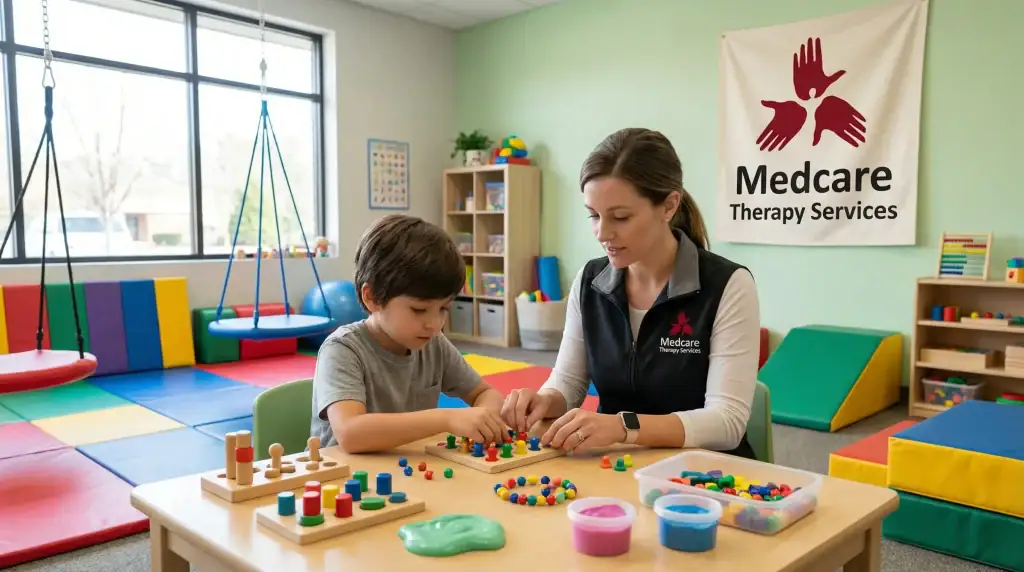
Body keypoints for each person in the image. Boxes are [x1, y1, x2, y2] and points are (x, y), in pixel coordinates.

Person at [501, 128, 760, 459]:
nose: (602, 233)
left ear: (668, 206)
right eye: (593, 215)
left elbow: (727, 422)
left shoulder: (728, 285)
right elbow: (569, 382)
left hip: (705, 477)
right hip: (617, 466)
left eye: (620, 217)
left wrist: (624, 427)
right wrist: (544, 400)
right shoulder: (590, 281)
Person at [311, 214, 507, 453]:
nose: (434, 324)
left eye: (443, 308)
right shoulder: (342, 350)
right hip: (344, 482)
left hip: (407, 476)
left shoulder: (433, 344)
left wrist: (483, 417)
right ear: (372, 297)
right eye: (419, 310)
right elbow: (351, 433)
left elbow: (485, 393)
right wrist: (445, 419)